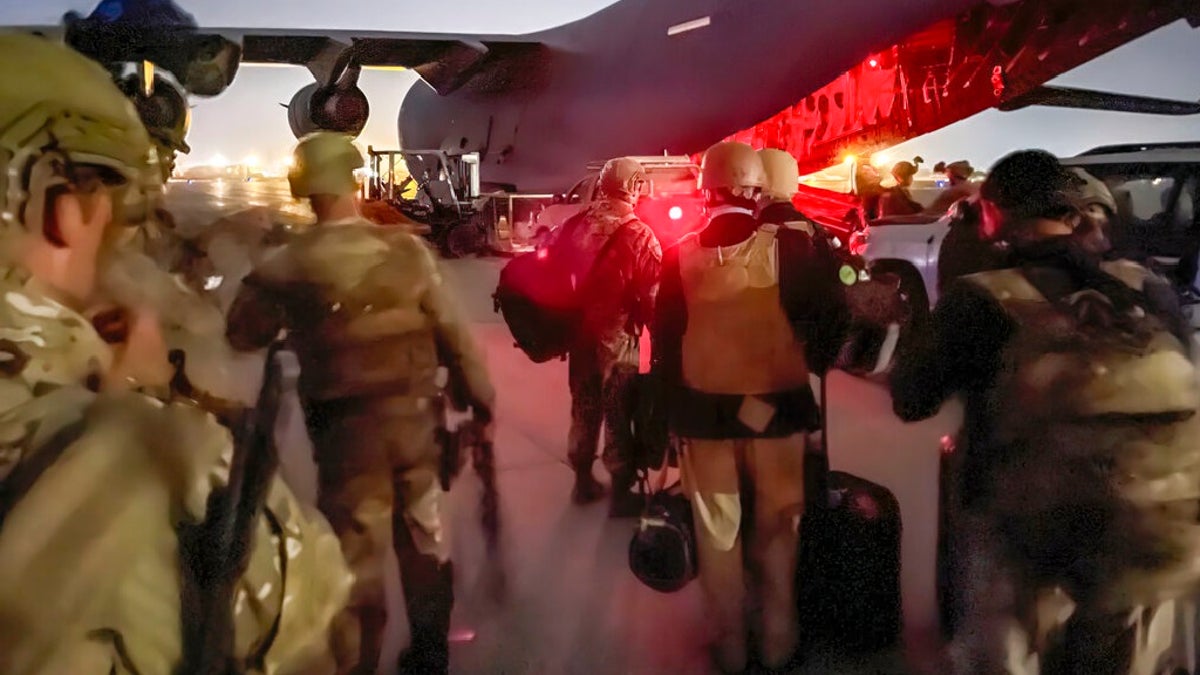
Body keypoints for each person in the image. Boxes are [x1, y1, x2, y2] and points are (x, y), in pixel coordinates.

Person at [0, 34, 350, 674]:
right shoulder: (157, 466)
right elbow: (326, 634)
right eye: (109, 198)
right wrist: (149, 401)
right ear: (61, 207)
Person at [891, 149, 1200, 674]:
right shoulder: (1144, 284)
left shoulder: (983, 296)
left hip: (1036, 532)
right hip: (1161, 527)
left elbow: (912, 398)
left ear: (993, 213)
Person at [226, 131, 495, 675]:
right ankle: (430, 652)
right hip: (417, 428)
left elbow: (242, 334)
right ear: (353, 181)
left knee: (358, 561)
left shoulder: (288, 264)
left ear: (303, 189)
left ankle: (359, 663)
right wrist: (479, 399)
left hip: (348, 441)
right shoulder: (406, 251)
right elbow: (453, 334)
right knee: (425, 539)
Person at [653, 141, 849, 672]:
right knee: (779, 530)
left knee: (718, 532)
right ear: (755, 189)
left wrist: (667, 420)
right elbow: (833, 319)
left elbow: (666, 343)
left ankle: (730, 650)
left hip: (703, 417)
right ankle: (780, 644)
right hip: (777, 414)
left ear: (706, 190)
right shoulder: (793, 246)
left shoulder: (680, 253)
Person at [554, 156, 661, 517]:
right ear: (633, 187)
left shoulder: (574, 225)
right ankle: (620, 492)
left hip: (579, 337)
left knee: (583, 406)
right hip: (618, 342)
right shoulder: (640, 234)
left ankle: (582, 481)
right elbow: (653, 296)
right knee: (620, 412)